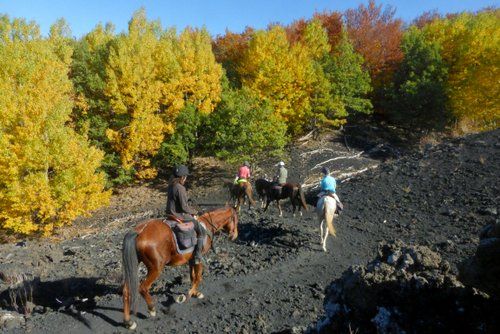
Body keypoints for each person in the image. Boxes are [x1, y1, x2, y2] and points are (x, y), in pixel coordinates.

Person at [166, 165, 206, 264]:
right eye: (186, 177)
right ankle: (197, 256)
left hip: (169, 214)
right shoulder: (180, 188)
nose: (186, 178)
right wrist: (195, 212)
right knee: (202, 231)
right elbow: (184, 207)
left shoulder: (171, 186)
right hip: (179, 216)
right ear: (182, 177)